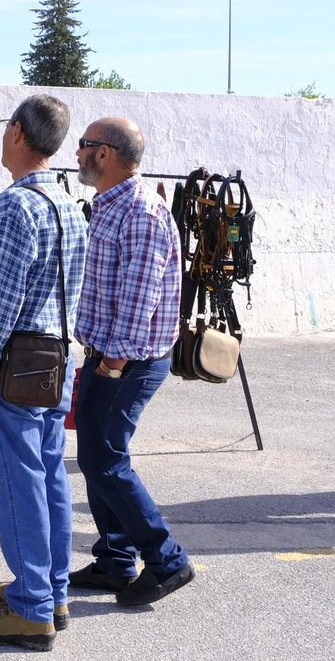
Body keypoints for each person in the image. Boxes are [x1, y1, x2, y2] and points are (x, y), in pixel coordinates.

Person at [0, 95, 87, 652]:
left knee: (17, 485)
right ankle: (52, 591)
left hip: (13, 364)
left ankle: (32, 607)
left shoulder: (17, 205)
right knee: (49, 478)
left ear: (16, 132)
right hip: (56, 360)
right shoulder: (68, 204)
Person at [70, 116, 193, 606]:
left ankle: (166, 560)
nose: (76, 154)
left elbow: (138, 302)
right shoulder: (112, 205)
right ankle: (116, 560)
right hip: (111, 357)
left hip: (127, 361)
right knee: (96, 458)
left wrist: (110, 366)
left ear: (104, 154)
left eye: (84, 146)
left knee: (105, 459)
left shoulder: (139, 211)